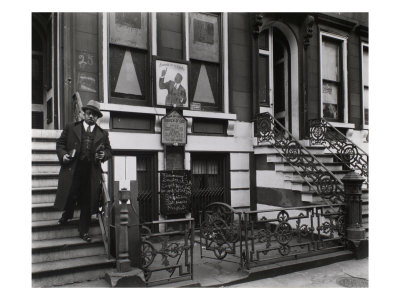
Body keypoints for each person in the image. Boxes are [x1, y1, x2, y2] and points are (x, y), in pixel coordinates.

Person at [54, 100, 112, 242]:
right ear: (83, 114)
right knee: (70, 193)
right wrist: (63, 155)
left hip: (91, 172)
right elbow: (60, 144)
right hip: (73, 168)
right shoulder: (71, 127)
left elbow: (109, 151)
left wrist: (103, 155)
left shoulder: (103, 134)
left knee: (87, 200)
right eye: (89, 113)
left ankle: (83, 231)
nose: (91, 116)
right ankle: (67, 215)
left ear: (98, 117)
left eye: (95, 115)